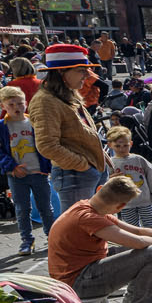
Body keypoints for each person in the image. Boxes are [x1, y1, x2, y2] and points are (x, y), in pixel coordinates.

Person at [47, 175, 152, 303]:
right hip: (77, 284)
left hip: (79, 273)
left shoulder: (88, 206)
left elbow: (137, 231)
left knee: (141, 250)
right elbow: (137, 241)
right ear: (121, 206)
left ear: (99, 189)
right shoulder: (90, 217)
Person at [29, 44, 109, 213]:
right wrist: (84, 166)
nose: (87, 75)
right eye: (81, 70)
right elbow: (47, 145)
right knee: (78, 231)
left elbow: (85, 133)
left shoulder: (69, 95)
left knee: (94, 228)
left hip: (87, 172)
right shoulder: (45, 101)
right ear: (60, 72)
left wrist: (101, 158)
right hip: (75, 175)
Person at [0, 86, 56, 256]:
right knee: (22, 209)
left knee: (46, 207)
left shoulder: (34, 122)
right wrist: (11, 166)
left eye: (20, 103)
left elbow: (47, 143)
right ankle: (27, 239)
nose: (17, 107)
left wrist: (49, 166)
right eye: (11, 104)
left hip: (39, 173)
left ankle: (52, 237)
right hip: (17, 176)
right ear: (3, 106)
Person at [104, 126, 152, 230]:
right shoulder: (110, 163)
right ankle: (137, 244)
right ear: (110, 145)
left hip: (144, 200)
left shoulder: (138, 159)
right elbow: (104, 182)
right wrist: (110, 179)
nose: (122, 149)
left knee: (150, 224)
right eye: (118, 146)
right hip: (124, 203)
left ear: (131, 144)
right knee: (131, 227)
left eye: (125, 145)